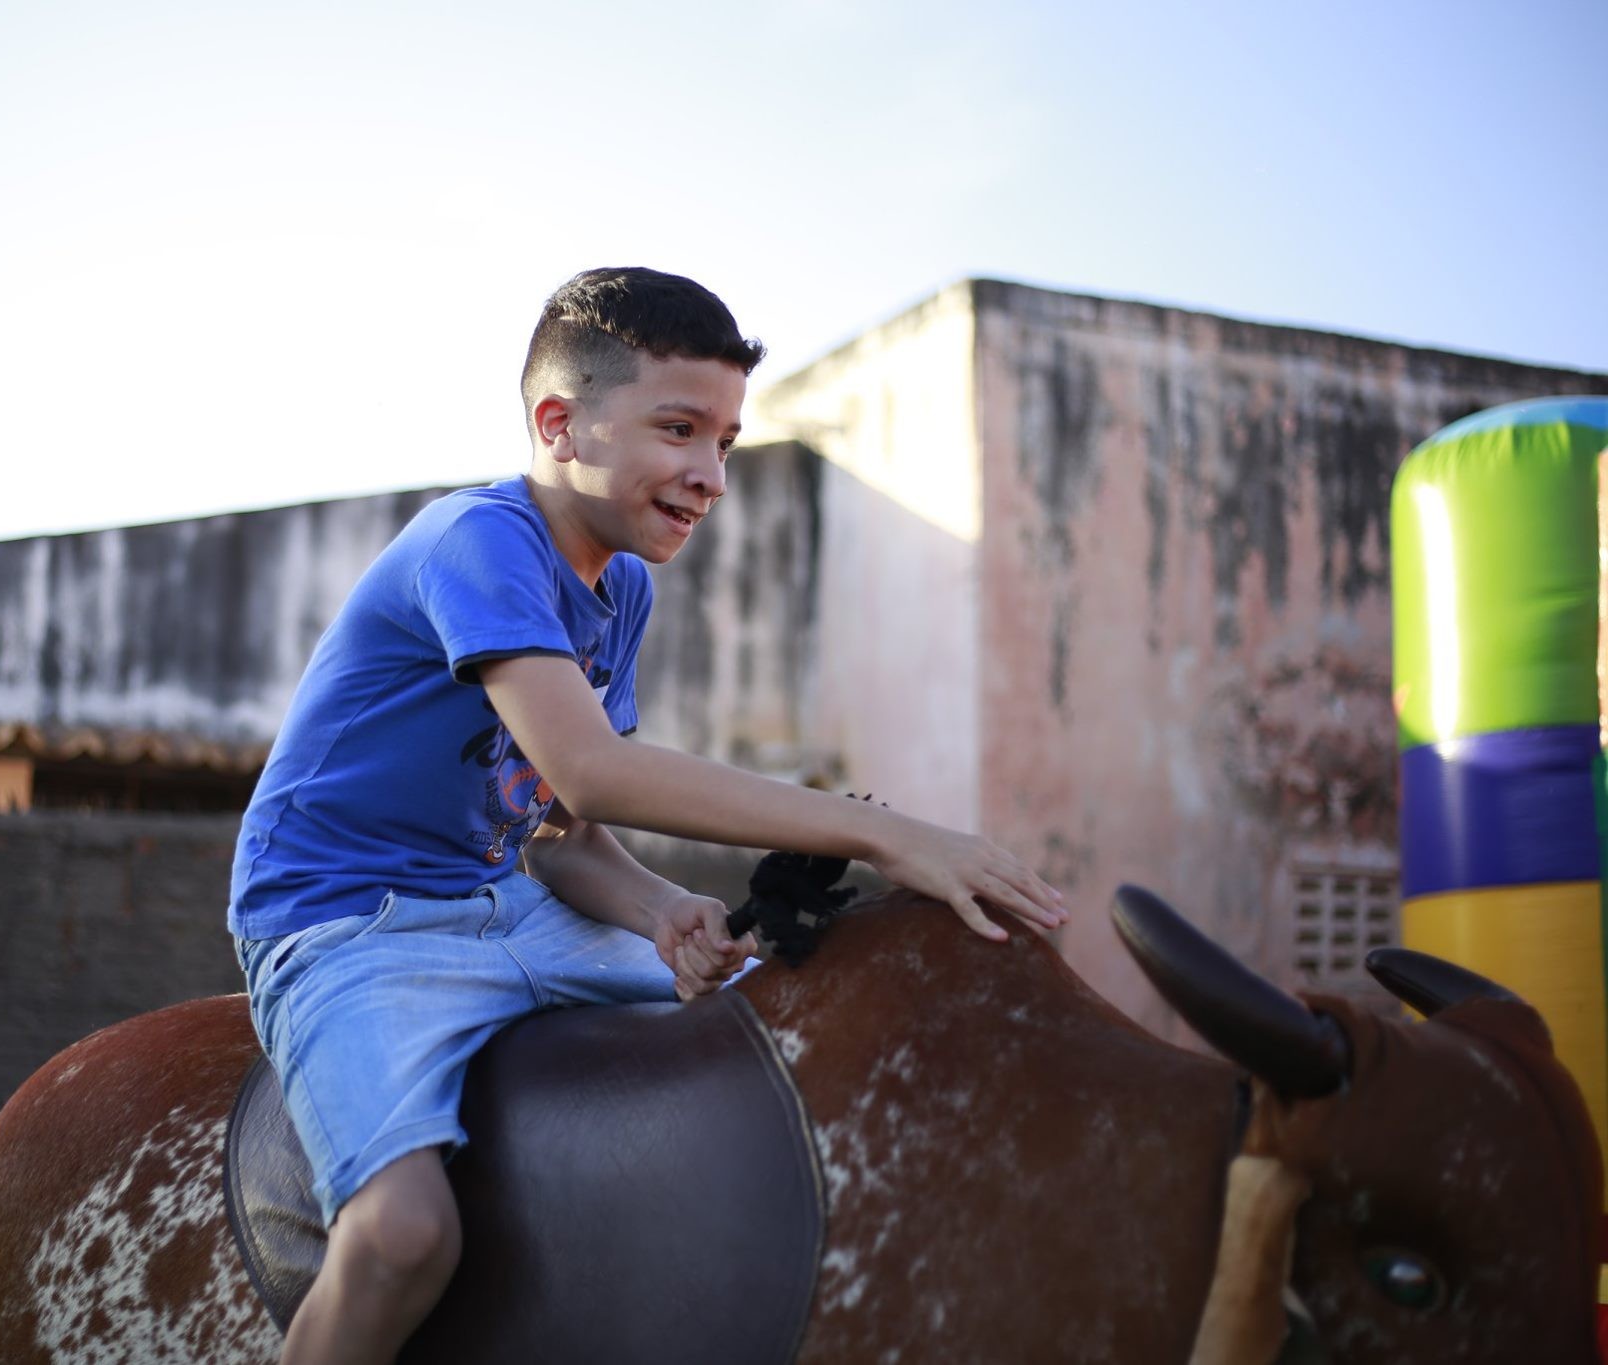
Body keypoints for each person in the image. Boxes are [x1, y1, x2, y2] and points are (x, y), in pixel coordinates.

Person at [228, 266, 1066, 1365]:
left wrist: (662, 908)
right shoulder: (474, 542)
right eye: (679, 430)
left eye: (725, 440)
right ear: (558, 424)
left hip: (500, 906)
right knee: (401, 1237)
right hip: (347, 924)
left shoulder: (620, 587)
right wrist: (878, 829)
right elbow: (592, 772)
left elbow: (556, 830)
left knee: (777, 1042)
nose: (710, 474)